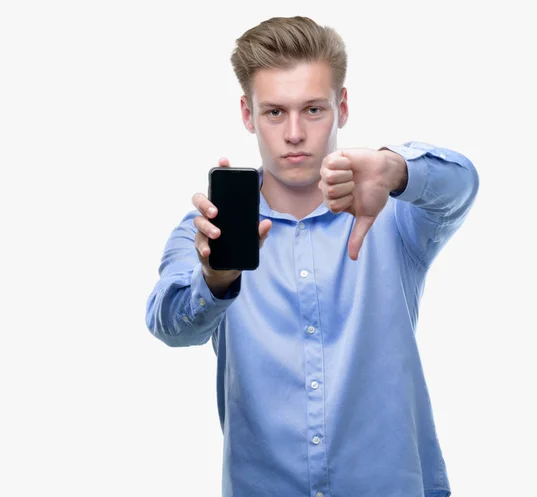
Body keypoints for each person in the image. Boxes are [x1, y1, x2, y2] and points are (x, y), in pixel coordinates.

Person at [145, 15, 479, 497]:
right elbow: (168, 324)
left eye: (314, 110)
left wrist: (394, 168)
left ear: (342, 107)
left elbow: (461, 183)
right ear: (247, 113)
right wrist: (215, 280)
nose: (295, 133)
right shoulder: (208, 232)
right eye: (275, 112)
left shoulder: (394, 215)